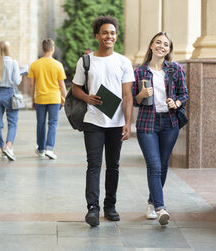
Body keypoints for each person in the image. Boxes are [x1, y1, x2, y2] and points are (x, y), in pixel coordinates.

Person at [72, 16, 135, 227]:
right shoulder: (86, 61)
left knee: (114, 166)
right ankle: (93, 208)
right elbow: (75, 88)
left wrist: (128, 122)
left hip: (116, 123)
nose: (109, 36)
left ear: (116, 36)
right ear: (97, 36)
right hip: (93, 120)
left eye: (113, 33)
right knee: (94, 164)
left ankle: (110, 206)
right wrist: (87, 98)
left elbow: (128, 95)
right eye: (105, 33)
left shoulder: (123, 62)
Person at [132, 32, 188, 225]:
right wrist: (141, 94)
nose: (161, 46)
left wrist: (177, 103)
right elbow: (134, 101)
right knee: (154, 165)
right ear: (151, 46)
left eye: (165, 44)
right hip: (147, 123)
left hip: (169, 124)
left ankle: (151, 202)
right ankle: (160, 208)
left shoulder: (175, 69)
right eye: (158, 42)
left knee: (163, 166)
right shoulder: (139, 72)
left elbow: (184, 95)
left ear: (169, 49)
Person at [27, 38, 67, 160]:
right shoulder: (58, 65)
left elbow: (32, 85)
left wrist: (32, 99)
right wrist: (65, 98)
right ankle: (50, 148)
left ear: (42, 49)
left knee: (41, 124)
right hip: (54, 98)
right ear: (52, 49)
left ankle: (41, 149)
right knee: (53, 124)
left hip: (40, 98)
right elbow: (61, 85)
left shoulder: (35, 65)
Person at [0, 41, 21, 161]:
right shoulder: (14, 63)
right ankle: (8, 147)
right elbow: (16, 81)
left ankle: (2, 148)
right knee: (12, 122)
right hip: (10, 94)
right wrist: (21, 74)